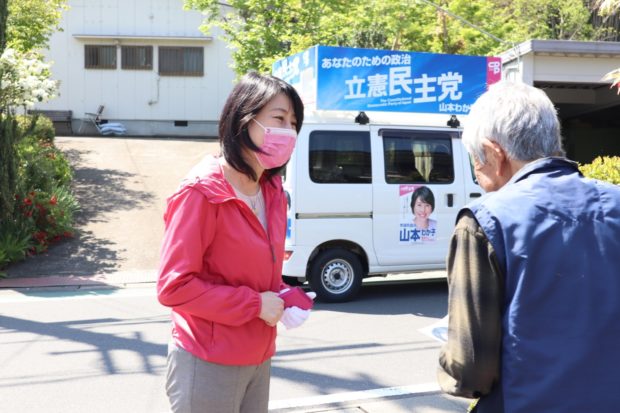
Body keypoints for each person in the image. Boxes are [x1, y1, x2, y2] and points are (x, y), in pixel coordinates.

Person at [437, 81, 620, 412]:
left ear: (495, 153)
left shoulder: (485, 221)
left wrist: (448, 367)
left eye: (475, 161)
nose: (477, 173)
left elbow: (472, 370)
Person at [157, 72, 312, 413]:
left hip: (259, 355)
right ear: (244, 119)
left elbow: (248, 269)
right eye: (279, 118)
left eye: (294, 122)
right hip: (207, 358)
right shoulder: (200, 193)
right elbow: (174, 287)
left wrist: (283, 294)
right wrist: (255, 305)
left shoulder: (272, 190)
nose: (288, 131)